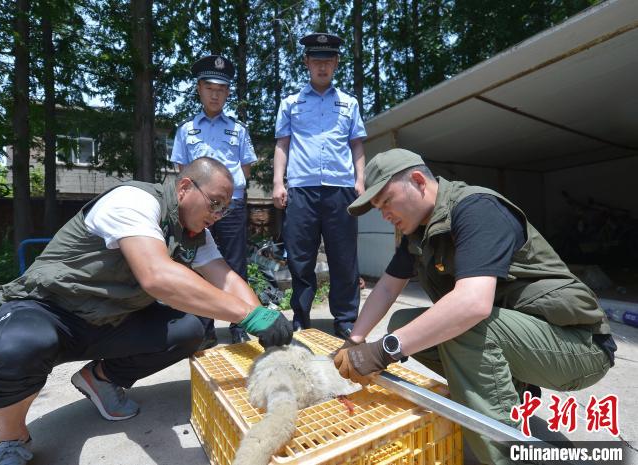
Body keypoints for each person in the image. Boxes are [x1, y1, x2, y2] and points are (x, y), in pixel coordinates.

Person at [0, 157, 293, 465]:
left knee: (193, 329)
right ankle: (11, 439)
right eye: (215, 203)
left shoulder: (196, 235)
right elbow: (156, 276)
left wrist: (266, 320)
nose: (220, 214)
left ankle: (101, 378)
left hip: (111, 322)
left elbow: (226, 279)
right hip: (50, 310)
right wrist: (246, 315)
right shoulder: (135, 200)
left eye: (226, 207)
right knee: (12, 350)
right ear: (184, 188)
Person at [333, 148, 616, 464]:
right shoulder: (419, 231)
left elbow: (472, 304)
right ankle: (506, 390)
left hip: (578, 344)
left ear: (417, 181)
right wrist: (354, 341)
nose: (384, 214)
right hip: (527, 335)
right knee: (404, 322)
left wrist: (384, 350)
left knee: (459, 324)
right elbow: (387, 287)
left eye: (386, 201)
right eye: (376, 207)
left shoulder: (476, 209)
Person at [272, 33, 367, 339]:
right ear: (307, 63)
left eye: (328, 61)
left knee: (344, 257)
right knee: (301, 258)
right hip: (301, 189)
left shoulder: (349, 103)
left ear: (336, 63)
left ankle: (346, 319)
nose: (322, 67)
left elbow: (357, 146)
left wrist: (360, 181)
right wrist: (278, 182)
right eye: (317, 61)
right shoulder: (291, 103)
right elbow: (282, 145)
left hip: (341, 189)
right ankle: (301, 318)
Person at [171, 54, 257, 347]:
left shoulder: (238, 130)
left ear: (228, 93)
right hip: (197, 209)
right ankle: (203, 328)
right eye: (210, 88)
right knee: (197, 264)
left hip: (231, 207)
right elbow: (181, 171)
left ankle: (239, 324)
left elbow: (244, 171)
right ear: (199, 89)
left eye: (221, 90)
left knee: (233, 264)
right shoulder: (186, 130)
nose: (215, 94)